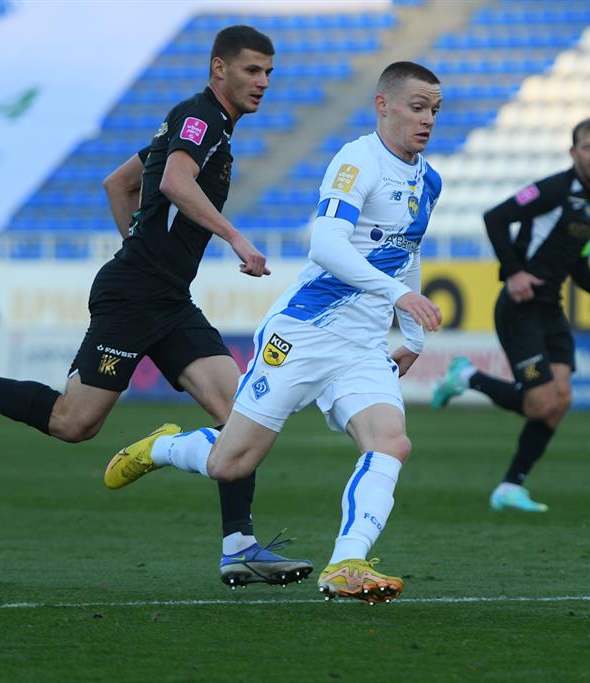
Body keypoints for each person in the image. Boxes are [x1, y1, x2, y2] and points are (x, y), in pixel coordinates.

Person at [0, 26, 312, 587]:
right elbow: (176, 182)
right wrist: (233, 238)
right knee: (74, 422)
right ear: (219, 69)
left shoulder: (205, 127)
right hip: (135, 295)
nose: (263, 82)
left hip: (165, 296)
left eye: (269, 72)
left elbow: (119, 183)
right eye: (252, 70)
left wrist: (140, 246)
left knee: (239, 416)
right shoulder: (202, 118)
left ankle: (238, 547)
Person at [106, 61, 444, 604]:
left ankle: (347, 563)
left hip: (361, 347)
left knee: (391, 442)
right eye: (418, 107)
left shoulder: (429, 180)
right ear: (383, 105)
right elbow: (326, 246)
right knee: (230, 462)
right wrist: (398, 297)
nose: (427, 119)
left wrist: (414, 336)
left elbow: (408, 254)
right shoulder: (358, 161)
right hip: (305, 331)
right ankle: (162, 447)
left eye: (434, 110)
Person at [431, 118, 590, 512]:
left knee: (561, 400)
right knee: (540, 404)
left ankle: (509, 487)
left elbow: (577, 261)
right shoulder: (553, 189)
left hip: (552, 310)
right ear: (573, 152)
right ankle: (466, 376)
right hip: (521, 310)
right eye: (588, 147)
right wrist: (514, 272)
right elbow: (495, 217)